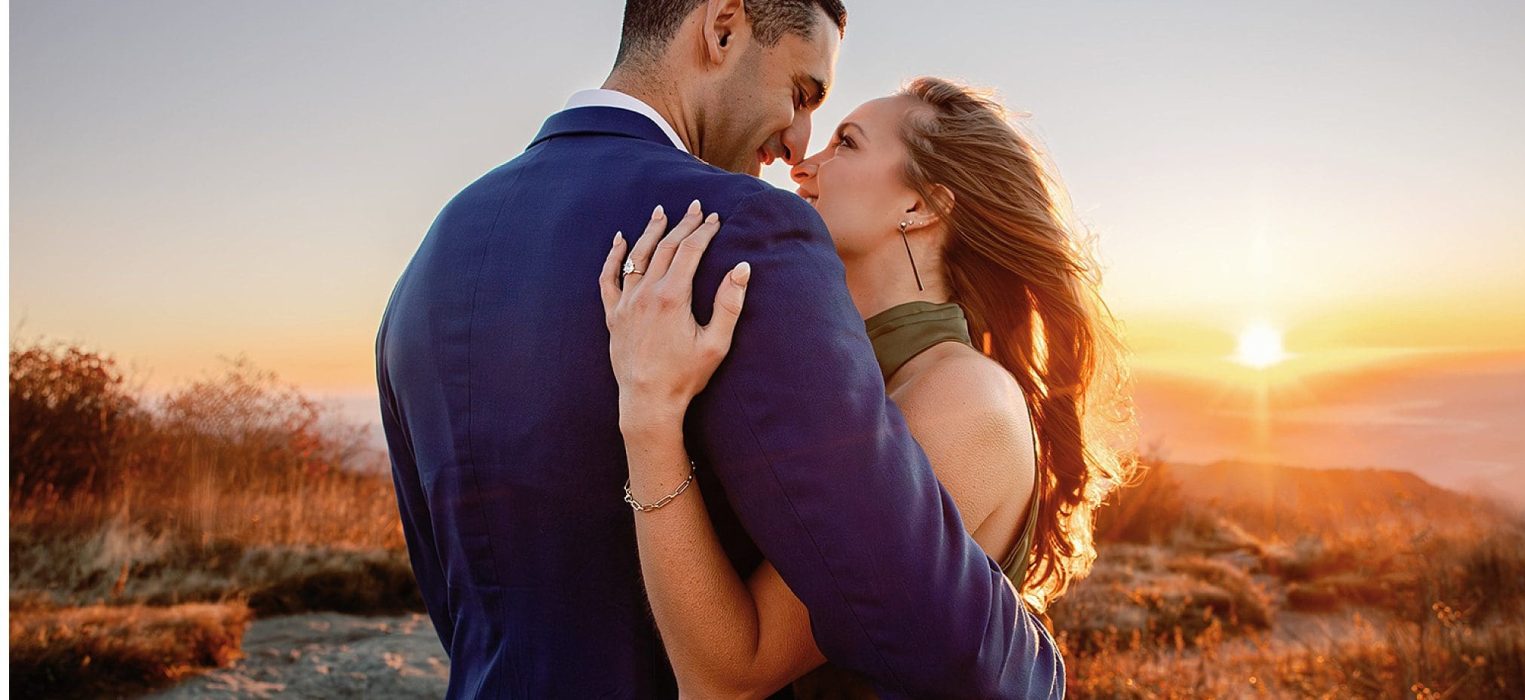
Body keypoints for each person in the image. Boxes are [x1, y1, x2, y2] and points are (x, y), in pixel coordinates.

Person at [375, 1, 1067, 696]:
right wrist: (1037, 671)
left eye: (844, 141)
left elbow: (457, 595)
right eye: (802, 94)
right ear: (724, 27)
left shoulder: (431, 260)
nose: (802, 151)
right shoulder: (734, 232)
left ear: (922, 206)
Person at [599, 77, 1139, 698]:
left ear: (920, 206)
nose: (802, 166)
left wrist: (650, 416)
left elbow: (727, 678)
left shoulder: (964, 399)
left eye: (845, 144)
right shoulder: (853, 377)